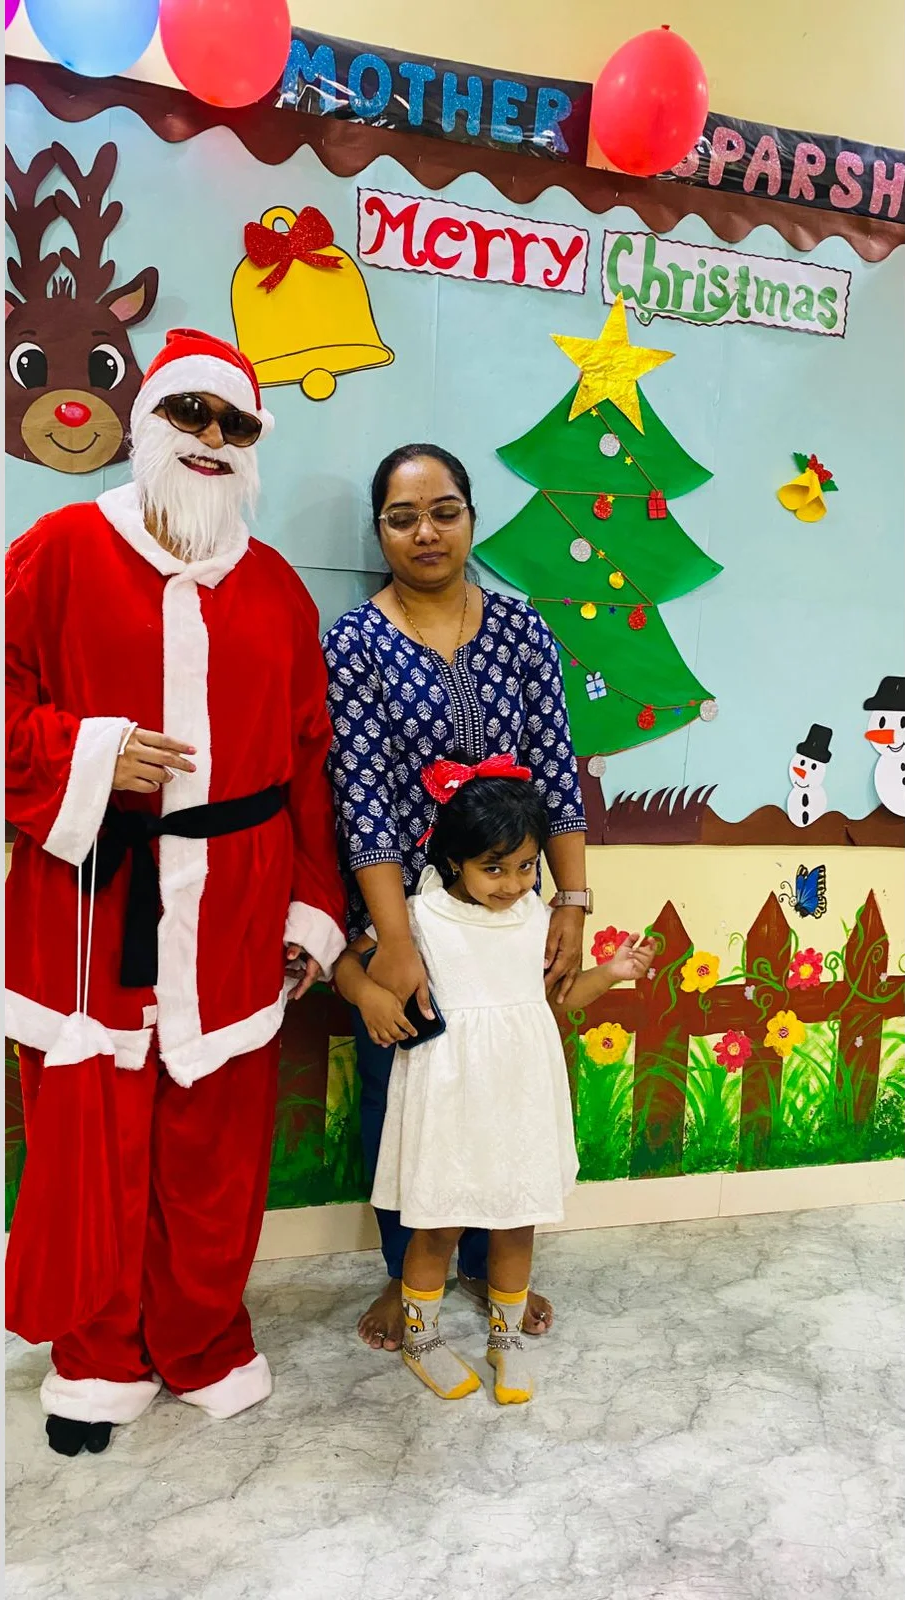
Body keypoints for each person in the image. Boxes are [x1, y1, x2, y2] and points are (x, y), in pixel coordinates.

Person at [5, 328, 347, 1457]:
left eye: (234, 423)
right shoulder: (59, 549)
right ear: (147, 421)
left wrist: (311, 908)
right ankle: (98, 1357)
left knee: (215, 1147)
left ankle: (201, 1340)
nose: (210, 437)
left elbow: (310, 763)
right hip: (94, 900)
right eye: (190, 412)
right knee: (91, 1142)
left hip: (237, 905)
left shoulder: (277, 588)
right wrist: (92, 754)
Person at [322, 445, 592, 1352]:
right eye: (402, 518)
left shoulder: (520, 628)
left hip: (508, 905)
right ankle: (409, 1274)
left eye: (444, 512)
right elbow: (360, 797)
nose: (426, 532)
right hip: (402, 910)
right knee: (405, 1088)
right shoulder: (354, 644)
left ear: (472, 517)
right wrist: (395, 942)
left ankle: (488, 1263)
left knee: (502, 1083)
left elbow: (555, 768)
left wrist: (570, 900)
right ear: (381, 532)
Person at [335, 758, 655, 1404]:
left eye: (527, 866)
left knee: (517, 1220)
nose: (513, 884)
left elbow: (558, 999)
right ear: (454, 860)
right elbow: (348, 964)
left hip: (520, 1096)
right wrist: (370, 997)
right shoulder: (420, 915)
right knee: (438, 1223)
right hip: (450, 1096)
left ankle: (504, 1340)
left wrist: (612, 973)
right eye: (495, 868)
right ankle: (423, 1339)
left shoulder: (536, 918)